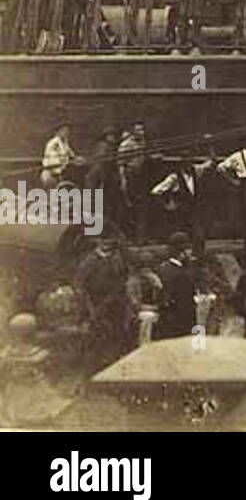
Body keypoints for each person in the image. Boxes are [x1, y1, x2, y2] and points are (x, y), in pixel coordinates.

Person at [74, 235, 131, 369]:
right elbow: (79, 285)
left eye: (110, 240)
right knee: (97, 339)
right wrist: (90, 307)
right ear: (98, 242)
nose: (107, 243)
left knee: (115, 336)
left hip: (115, 305)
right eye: (104, 240)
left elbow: (123, 278)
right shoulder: (90, 261)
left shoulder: (117, 259)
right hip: (97, 305)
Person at [155, 233, 198, 341]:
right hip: (180, 322)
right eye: (188, 250)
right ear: (181, 253)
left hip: (165, 320)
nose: (191, 253)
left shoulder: (162, 268)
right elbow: (186, 303)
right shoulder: (182, 274)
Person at [117, 123, 148, 237]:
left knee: (140, 204)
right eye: (139, 130)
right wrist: (123, 180)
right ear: (133, 132)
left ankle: (140, 235)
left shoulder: (142, 141)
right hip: (129, 175)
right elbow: (120, 164)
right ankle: (123, 233)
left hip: (139, 174)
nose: (141, 132)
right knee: (127, 205)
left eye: (142, 130)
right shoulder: (126, 144)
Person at [41, 120, 78, 188]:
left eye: (68, 131)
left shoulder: (65, 143)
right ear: (58, 132)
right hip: (51, 174)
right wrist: (68, 163)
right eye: (64, 130)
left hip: (60, 173)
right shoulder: (54, 144)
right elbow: (54, 162)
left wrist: (76, 159)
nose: (66, 133)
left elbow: (70, 153)